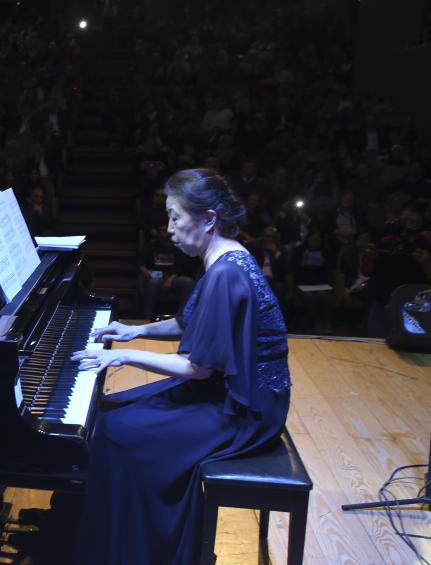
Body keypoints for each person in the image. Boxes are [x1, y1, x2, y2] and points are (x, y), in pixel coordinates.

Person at [71, 168, 290, 565]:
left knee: (115, 433)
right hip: (232, 390)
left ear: (208, 219)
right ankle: (87, 527)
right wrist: (132, 332)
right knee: (108, 412)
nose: (168, 228)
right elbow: (190, 323)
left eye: (175, 216)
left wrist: (121, 355)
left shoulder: (224, 271)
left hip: (245, 410)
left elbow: (198, 368)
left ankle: (136, 548)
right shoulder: (226, 256)